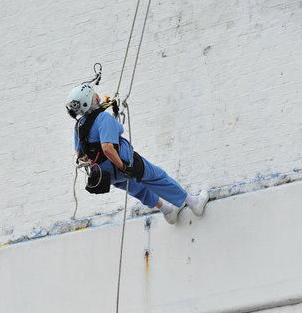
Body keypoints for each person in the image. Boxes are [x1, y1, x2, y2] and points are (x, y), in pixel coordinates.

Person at [66, 83, 209, 224]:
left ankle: (168, 211)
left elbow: (80, 154)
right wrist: (123, 167)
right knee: (157, 177)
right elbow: (107, 148)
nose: (97, 96)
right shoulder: (103, 118)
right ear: (91, 100)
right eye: (94, 95)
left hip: (107, 175)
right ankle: (194, 203)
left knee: (137, 189)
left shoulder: (79, 126)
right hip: (125, 163)